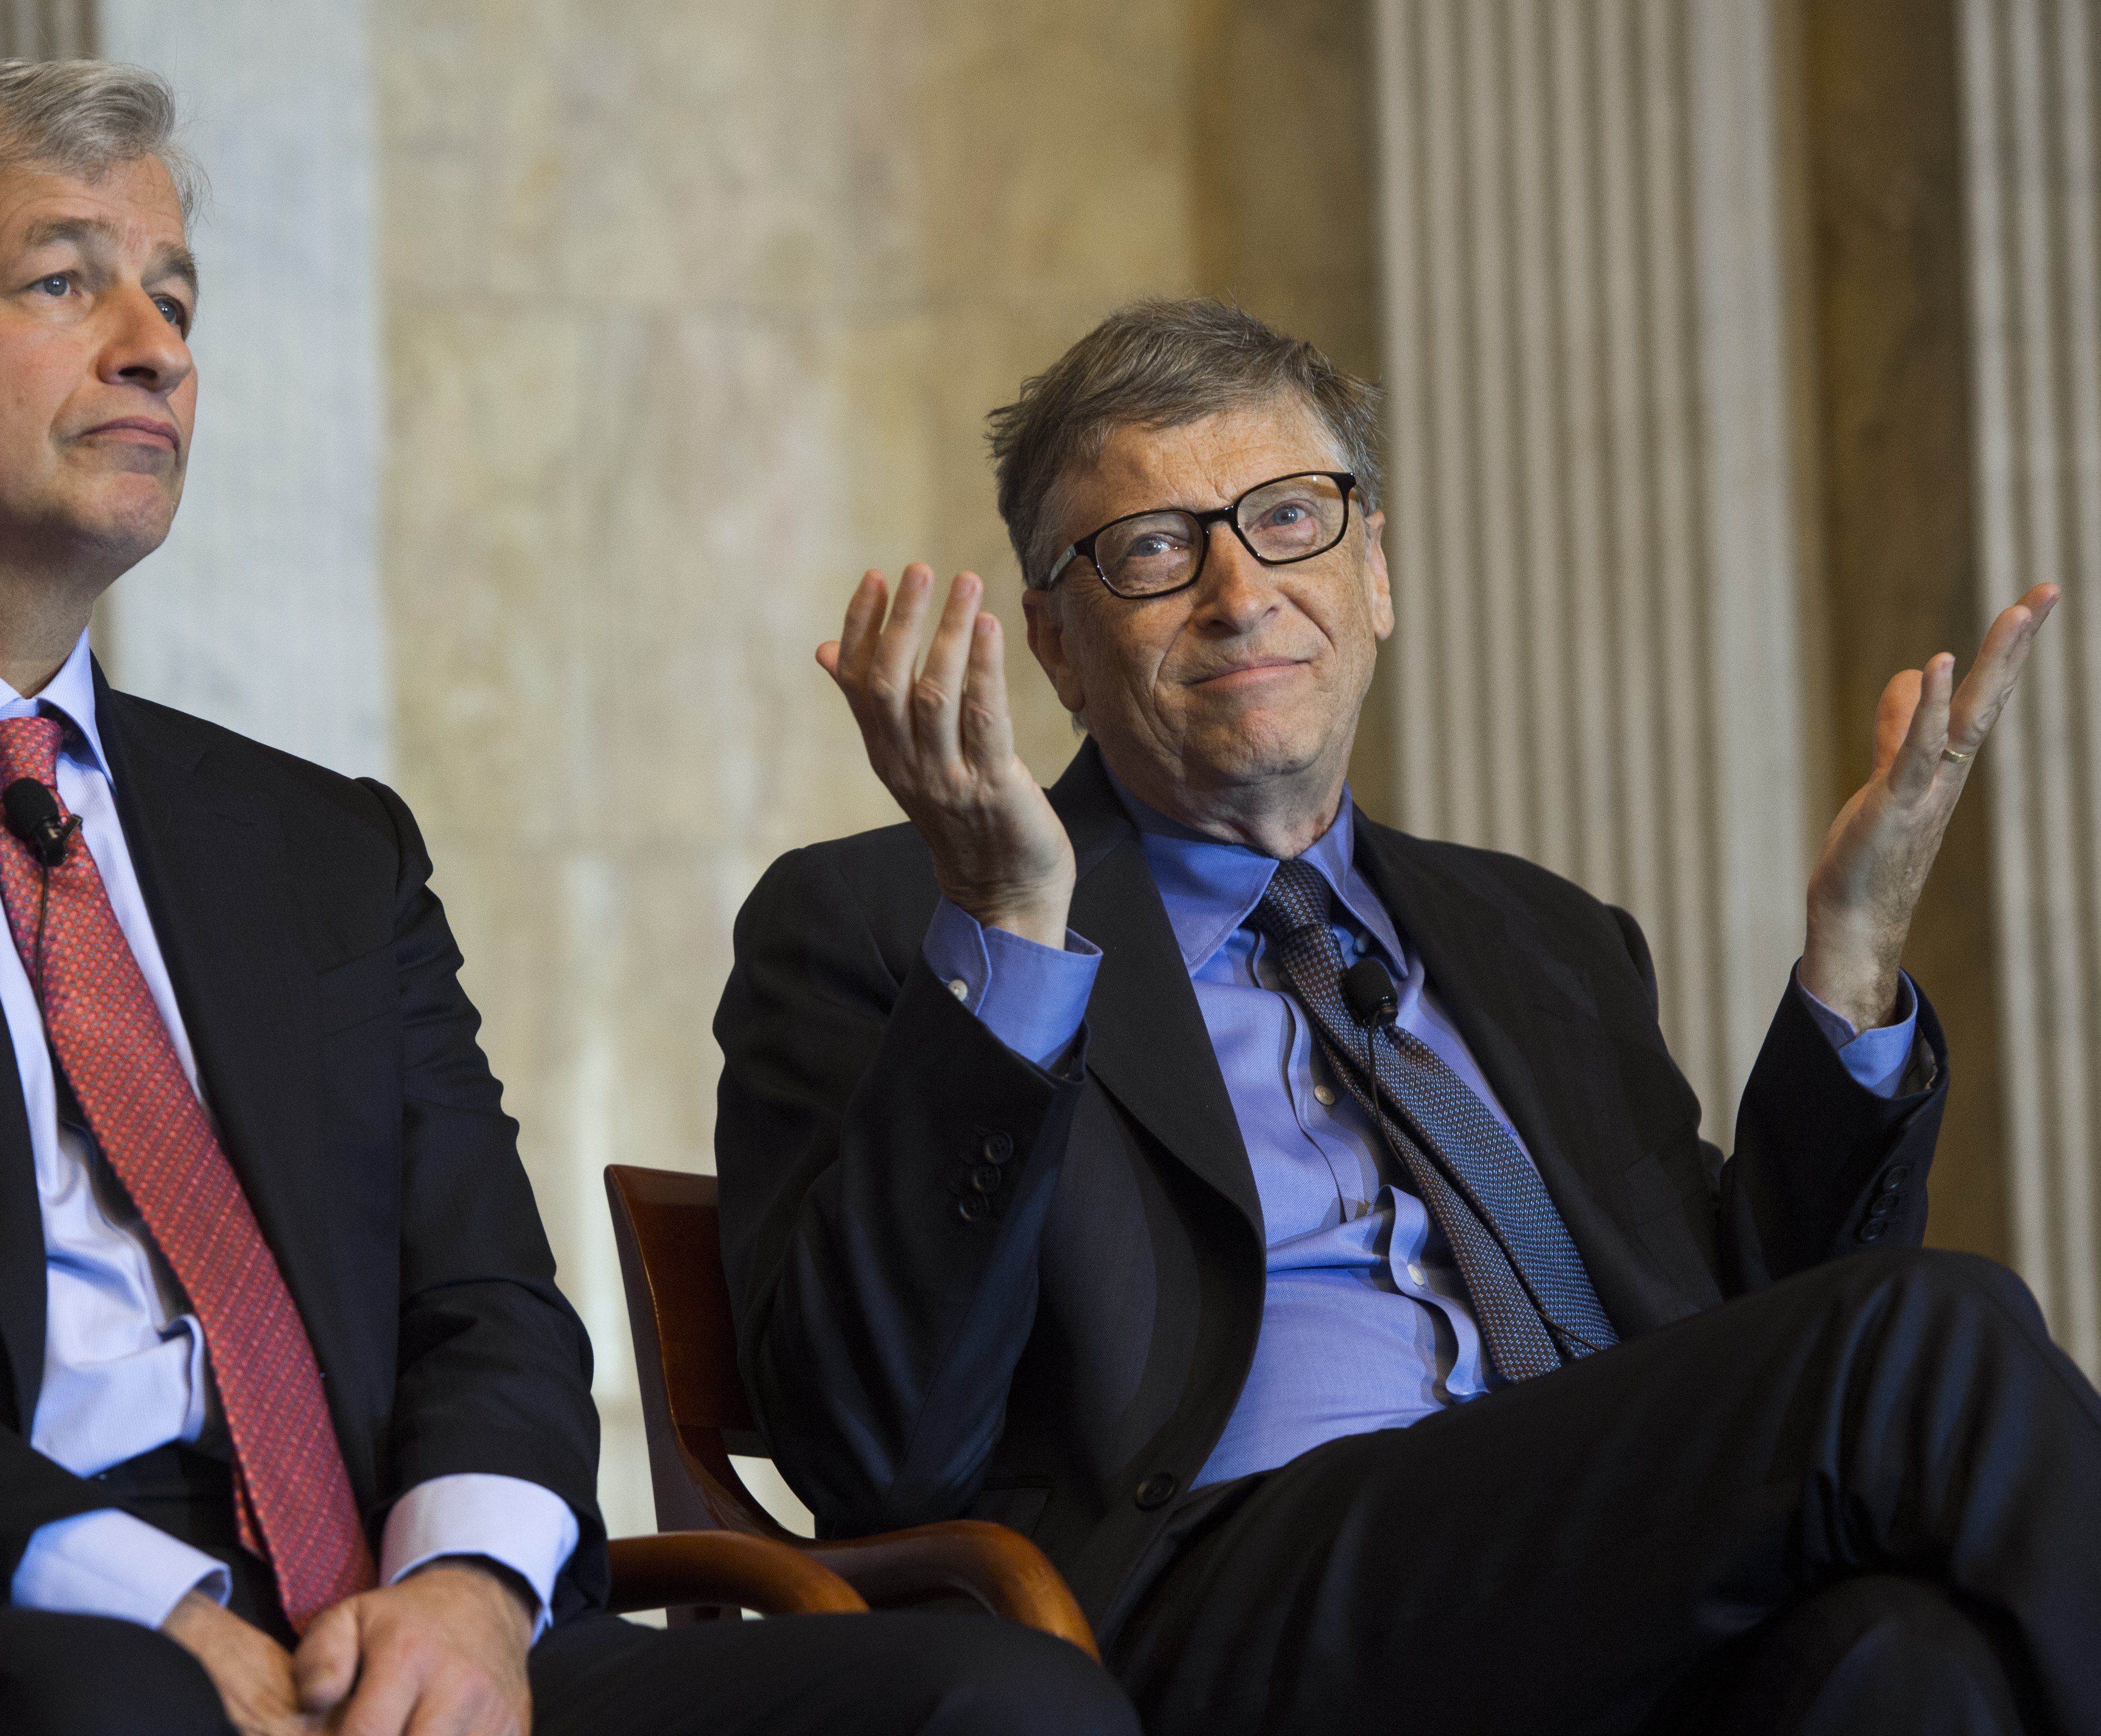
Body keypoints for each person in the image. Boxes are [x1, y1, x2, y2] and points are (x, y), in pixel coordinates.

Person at [0, 60, 1139, 1736]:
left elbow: (489, 1299)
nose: (157, 345)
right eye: (65, 281)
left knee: (992, 1696)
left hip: (395, 1619)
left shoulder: (322, 841)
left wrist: (474, 1589)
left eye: (175, 294)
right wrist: (147, 1599)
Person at [713, 297, 2101, 1735]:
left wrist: (1856, 957)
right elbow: (875, 1447)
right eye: (1151, 548)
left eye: (1290, 518)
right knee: (1924, 1331)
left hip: (1600, 1581)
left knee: (1900, 1657)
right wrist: (1007, 926)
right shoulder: (891, 919)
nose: (1239, 592)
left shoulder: (1543, 936)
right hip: (1213, 1605)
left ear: (1372, 572)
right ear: (1056, 648)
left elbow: (1759, 1332)